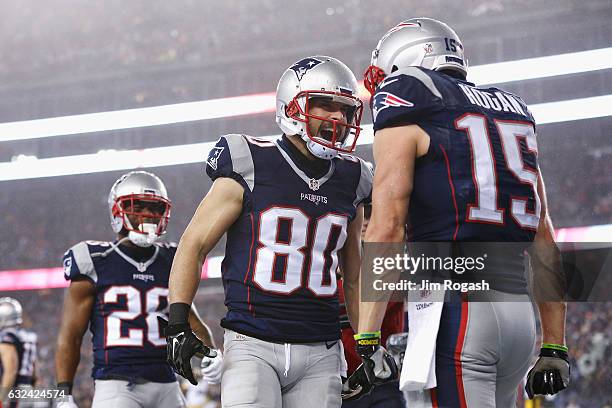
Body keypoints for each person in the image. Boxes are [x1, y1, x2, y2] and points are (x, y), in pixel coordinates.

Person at [350, 18, 569, 407]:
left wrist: (367, 338)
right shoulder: (512, 109)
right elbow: (544, 239)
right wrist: (555, 344)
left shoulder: (408, 94)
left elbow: (387, 227)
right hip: (519, 315)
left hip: (457, 309)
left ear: (409, 61)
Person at [163, 56, 373, 408]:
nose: (338, 118)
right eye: (325, 104)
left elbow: (353, 274)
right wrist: (177, 322)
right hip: (252, 343)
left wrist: (367, 344)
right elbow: (194, 245)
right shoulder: (250, 159)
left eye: (345, 109)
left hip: (321, 348)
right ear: (292, 105)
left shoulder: (354, 178)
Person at [55, 170, 215, 408]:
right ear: (117, 210)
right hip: (116, 384)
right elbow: (71, 335)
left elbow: (188, 317)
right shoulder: (94, 260)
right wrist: (63, 394)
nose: (149, 215)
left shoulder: (172, 259)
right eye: (139, 206)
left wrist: (212, 355)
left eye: (155, 209)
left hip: (167, 383)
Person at [338, 203, 405, 408]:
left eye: (372, 214)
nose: (366, 221)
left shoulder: (396, 267)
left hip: (383, 376)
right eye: (363, 215)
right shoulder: (326, 269)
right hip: (343, 379)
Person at [0, 297, 37, 408]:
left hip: (14, 392)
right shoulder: (27, 336)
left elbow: (11, 371)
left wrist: (2, 399)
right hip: (26, 389)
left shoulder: (6, 338)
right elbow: (35, 373)